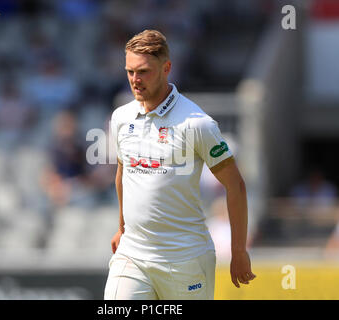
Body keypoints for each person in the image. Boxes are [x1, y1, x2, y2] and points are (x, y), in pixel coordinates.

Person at [104, 30, 256, 300]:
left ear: (167, 68)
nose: (135, 80)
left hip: (185, 259)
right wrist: (122, 227)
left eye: (143, 71)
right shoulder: (120, 117)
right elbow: (123, 173)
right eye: (130, 72)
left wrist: (238, 251)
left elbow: (236, 186)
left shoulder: (197, 123)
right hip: (132, 255)